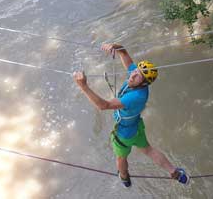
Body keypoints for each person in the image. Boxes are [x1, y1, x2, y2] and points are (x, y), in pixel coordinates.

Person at [73, 43, 189, 188]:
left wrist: (83, 86)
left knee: (121, 158)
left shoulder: (136, 96)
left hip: (124, 133)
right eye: (135, 71)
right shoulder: (138, 80)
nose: (133, 75)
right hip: (136, 126)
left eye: (137, 75)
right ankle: (175, 173)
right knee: (148, 149)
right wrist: (114, 46)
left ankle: (124, 177)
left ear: (144, 83)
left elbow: (104, 106)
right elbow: (124, 54)